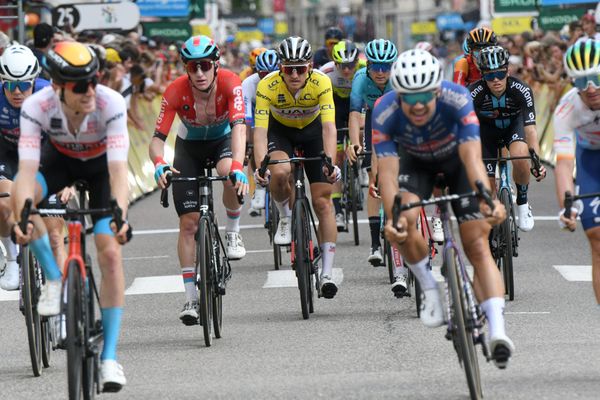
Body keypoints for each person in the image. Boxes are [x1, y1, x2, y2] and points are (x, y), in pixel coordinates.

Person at [374, 48, 514, 368]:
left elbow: (472, 158)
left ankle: (498, 331)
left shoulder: (458, 98)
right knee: (404, 222)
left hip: (457, 163)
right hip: (415, 164)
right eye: (410, 98)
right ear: (399, 97)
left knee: (477, 244)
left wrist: (488, 199)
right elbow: (388, 173)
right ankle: (429, 287)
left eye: (425, 95)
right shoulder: (384, 110)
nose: (419, 104)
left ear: (438, 89)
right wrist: (392, 219)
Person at [12, 41, 131, 391]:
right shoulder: (37, 105)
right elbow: (27, 169)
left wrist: (120, 215)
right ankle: (53, 279)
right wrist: (22, 214)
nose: (90, 90)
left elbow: (119, 170)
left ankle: (109, 359)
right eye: (80, 86)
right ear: (57, 87)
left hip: (100, 169)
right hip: (58, 161)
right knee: (22, 205)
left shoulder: (109, 103)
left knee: (109, 251)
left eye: (93, 80)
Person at [150, 35, 249, 325]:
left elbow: (240, 129)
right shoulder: (175, 91)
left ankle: (232, 230)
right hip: (188, 149)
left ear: (216, 65)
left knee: (227, 172)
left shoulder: (232, 83)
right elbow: (157, 140)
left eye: (205, 65)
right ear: (185, 68)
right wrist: (159, 164)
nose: (200, 73)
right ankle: (191, 298)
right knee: (189, 223)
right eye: (193, 67)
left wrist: (239, 167)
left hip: (222, 143)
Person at [253, 36, 341, 298]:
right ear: (280, 67)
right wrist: (261, 167)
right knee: (279, 171)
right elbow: (259, 132)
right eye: (288, 69)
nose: (294, 74)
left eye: (300, 69)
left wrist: (330, 162)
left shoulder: (321, 82)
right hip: (281, 133)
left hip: (313, 131)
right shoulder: (267, 85)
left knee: (323, 201)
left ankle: (327, 271)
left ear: (310, 67)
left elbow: (329, 127)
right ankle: (285, 216)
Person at [469, 45, 546, 232]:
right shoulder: (473, 93)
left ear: (507, 71)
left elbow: (531, 130)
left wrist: (535, 161)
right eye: (489, 76)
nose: (495, 80)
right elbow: (466, 131)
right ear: (482, 75)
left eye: (500, 74)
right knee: (487, 190)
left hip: (513, 127)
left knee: (521, 157)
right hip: (486, 132)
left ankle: (522, 202)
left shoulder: (521, 89)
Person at [345, 39, 402, 275]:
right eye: (376, 67)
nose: (381, 72)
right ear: (367, 65)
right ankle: (375, 244)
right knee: (374, 177)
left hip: (398, 117)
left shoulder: (400, 78)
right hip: (372, 119)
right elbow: (354, 114)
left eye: (386, 67)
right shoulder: (360, 79)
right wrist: (355, 145)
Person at [0, 44, 50, 290]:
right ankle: (12, 259)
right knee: (3, 203)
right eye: (9, 85)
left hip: (41, 151)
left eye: (23, 85)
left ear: (35, 80)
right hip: (7, 152)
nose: (16, 91)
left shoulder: (48, 96)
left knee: (53, 205)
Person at [554, 39, 600, 304]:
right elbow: (563, 164)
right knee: (596, 238)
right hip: (590, 160)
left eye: (595, 78)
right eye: (582, 82)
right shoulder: (567, 108)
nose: (591, 88)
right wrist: (566, 206)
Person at [320, 40, 361, 229]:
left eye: (351, 66)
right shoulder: (325, 73)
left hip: (356, 105)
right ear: (335, 63)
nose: (347, 71)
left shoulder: (364, 68)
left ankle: (359, 169)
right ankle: (337, 211)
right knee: (335, 159)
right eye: (343, 66)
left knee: (359, 135)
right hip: (335, 106)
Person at [243, 49, 280, 216]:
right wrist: (247, 145)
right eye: (263, 74)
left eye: (271, 74)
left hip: (278, 116)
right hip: (257, 115)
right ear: (256, 71)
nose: (267, 78)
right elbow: (247, 121)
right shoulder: (248, 84)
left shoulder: (285, 81)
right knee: (253, 146)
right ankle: (259, 187)